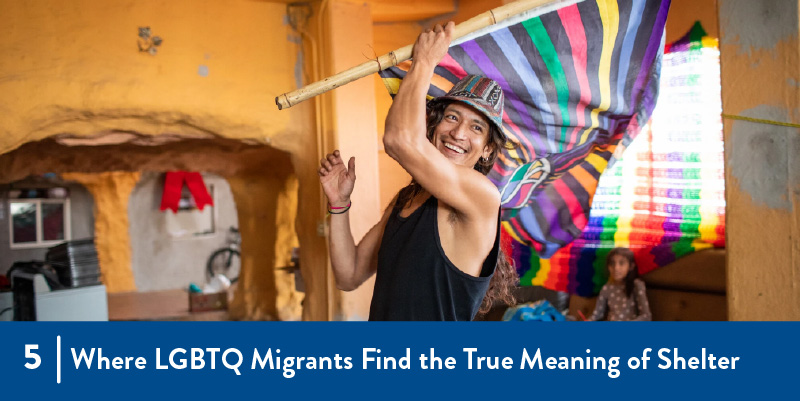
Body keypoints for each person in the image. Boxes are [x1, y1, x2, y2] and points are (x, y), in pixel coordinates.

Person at [317, 22, 517, 321]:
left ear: (488, 149)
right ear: (434, 124)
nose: (459, 133)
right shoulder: (407, 199)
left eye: (477, 127)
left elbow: (399, 140)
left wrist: (424, 61)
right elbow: (349, 275)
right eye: (452, 117)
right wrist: (339, 205)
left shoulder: (483, 196)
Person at [586, 247, 652, 321]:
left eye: (621, 263)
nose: (616, 268)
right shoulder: (607, 288)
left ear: (631, 266)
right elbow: (597, 314)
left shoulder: (637, 285)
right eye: (612, 264)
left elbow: (646, 316)